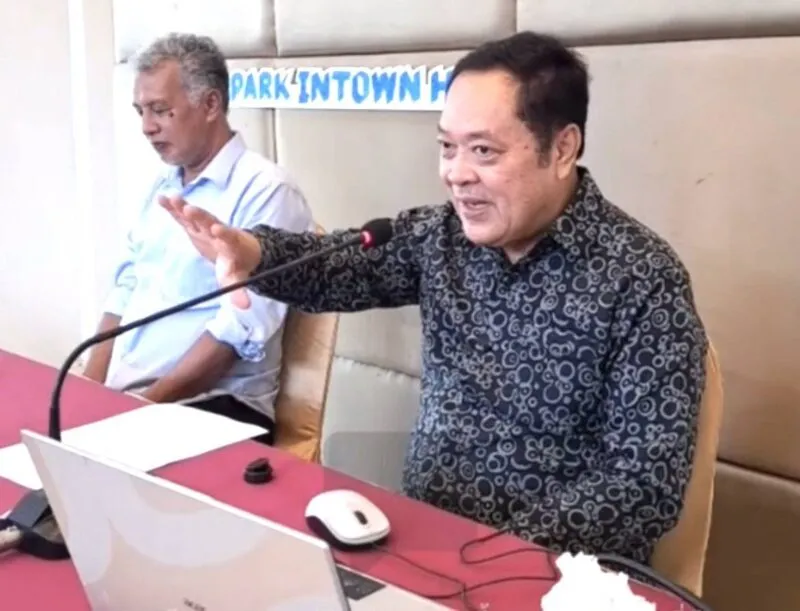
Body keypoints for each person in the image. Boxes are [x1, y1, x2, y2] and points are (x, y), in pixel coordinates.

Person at [161, 31, 709, 564]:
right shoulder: (440, 237)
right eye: (447, 147)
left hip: (553, 579)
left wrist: (484, 555)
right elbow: (337, 268)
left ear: (562, 148)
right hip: (422, 555)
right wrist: (253, 252)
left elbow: (643, 484)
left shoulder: (642, 278)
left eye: (483, 151)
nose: (456, 174)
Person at [83, 33, 313, 444]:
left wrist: (140, 409)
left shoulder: (268, 191)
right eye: (140, 111)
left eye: (160, 110)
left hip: (214, 407)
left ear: (210, 104)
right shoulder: (162, 185)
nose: (147, 127)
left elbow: (238, 331)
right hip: (132, 398)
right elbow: (125, 287)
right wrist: (86, 392)